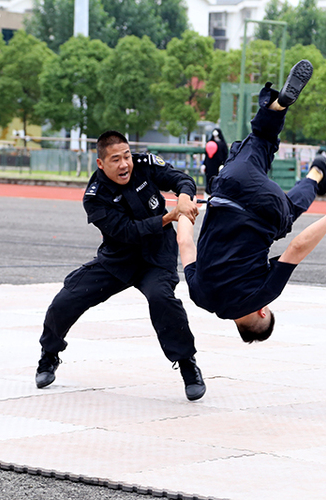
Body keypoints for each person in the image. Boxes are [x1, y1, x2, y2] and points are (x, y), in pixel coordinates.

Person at [176, 60, 326, 343]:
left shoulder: (262, 295)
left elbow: (297, 246)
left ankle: (316, 175)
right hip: (228, 189)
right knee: (260, 139)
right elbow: (185, 243)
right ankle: (277, 105)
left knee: (289, 213)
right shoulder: (200, 297)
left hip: (266, 210)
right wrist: (183, 207)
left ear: (261, 313)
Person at [34, 130, 207, 401]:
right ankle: (49, 354)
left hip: (155, 256)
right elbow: (126, 232)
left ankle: (187, 365)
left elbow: (180, 178)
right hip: (119, 258)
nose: (125, 164)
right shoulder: (94, 196)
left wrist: (184, 195)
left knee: (162, 298)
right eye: (116, 159)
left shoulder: (144, 164)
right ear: (101, 163)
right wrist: (170, 216)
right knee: (67, 298)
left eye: (126, 156)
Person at [203, 128, 229, 195]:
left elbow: (225, 155)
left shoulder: (223, 144)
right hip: (209, 165)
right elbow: (206, 155)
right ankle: (208, 192)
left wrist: (223, 164)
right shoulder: (209, 142)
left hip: (218, 165)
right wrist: (204, 164)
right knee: (208, 179)